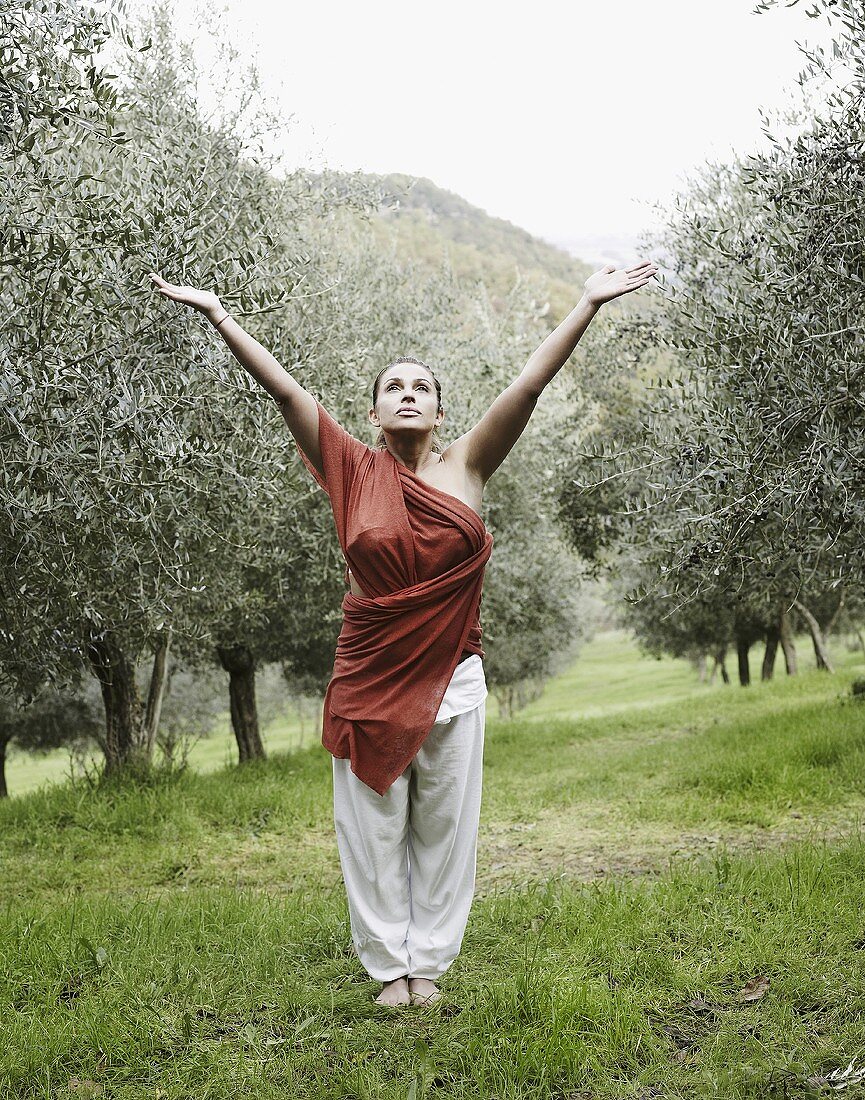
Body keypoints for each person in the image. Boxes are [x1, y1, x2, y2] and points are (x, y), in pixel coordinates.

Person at [148, 258, 657, 1007]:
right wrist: (219, 313)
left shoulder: (468, 468)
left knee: (444, 830)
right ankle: (390, 969)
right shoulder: (348, 467)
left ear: (441, 413)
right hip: (368, 678)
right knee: (372, 831)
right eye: (395, 387)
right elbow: (285, 390)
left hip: (453, 677)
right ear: (375, 413)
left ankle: (430, 966)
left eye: (422, 387)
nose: (409, 394)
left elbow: (527, 387)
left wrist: (584, 304)